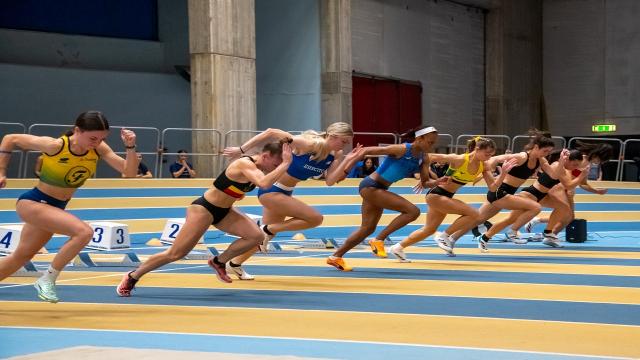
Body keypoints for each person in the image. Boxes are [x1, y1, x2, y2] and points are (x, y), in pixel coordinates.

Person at [117, 142, 292, 296]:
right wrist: (286, 164)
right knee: (176, 253)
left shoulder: (258, 169)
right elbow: (264, 183)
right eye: (275, 164)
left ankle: (218, 261)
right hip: (204, 209)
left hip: (225, 211)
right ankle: (133, 276)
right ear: (265, 156)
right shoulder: (245, 164)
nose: (276, 168)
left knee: (256, 236)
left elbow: (239, 186)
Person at [0, 110, 138, 303]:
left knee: (21, 256)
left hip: (55, 207)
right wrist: (1, 171)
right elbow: (10, 138)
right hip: (33, 202)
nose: (96, 143)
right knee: (83, 232)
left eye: (101, 138)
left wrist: (130, 147)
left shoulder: (98, 148)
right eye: (92, 138)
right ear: (77, 131)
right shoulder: (55, 146)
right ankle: (47, 279)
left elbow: (129, 172)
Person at [221, 122, 359, 279]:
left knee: (262, 237)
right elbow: (271, 130)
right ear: (333, 136)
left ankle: (234, 264)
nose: (345, 146)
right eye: (344, 141)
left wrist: (345, 160)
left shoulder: (332, 156)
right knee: (315, 218)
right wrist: (240, 150)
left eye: (347, 143)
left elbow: (330, 181)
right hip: (272, 189)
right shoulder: (309, 144)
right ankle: (267, 229)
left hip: (285, 192)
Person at [326, 126, 441, 272]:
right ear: (419, 139)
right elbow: (366, 151)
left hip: (379, 189)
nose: (431, 146)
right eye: (430, 142)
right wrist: (345, 172)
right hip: (371, 186)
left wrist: (437, 182)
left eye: (433, 143)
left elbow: (425, 183)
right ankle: (378, 240)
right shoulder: (401, 149)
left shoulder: (424, 158)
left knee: (367, 228)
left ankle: (336, 257)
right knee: (413, 211)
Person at [390, 137, 518, 261]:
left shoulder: (483, 166)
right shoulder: (460, 159)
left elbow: (492, 188)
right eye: (487, 154)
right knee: (474, 214)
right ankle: (444, 236)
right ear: (477, 149)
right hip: (436, 195)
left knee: (428, 230)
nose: (489, 157)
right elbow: (428, 157)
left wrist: (503, 174)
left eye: (491, 155)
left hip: (445, 196)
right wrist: (425, 177)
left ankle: (398, 247)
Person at [447, 130, 556, 252]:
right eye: (545, 151)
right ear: (536, 147)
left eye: (548, 152)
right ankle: (512, 231)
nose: (546, 154)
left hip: (506, 193)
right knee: (535, 207)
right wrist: (486, 173)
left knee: (478, 219)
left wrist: (562, 162)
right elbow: (494, 159)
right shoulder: (521, 157)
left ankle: (451, 239)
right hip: (499, 191)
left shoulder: (540, 160)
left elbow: (554, 175)